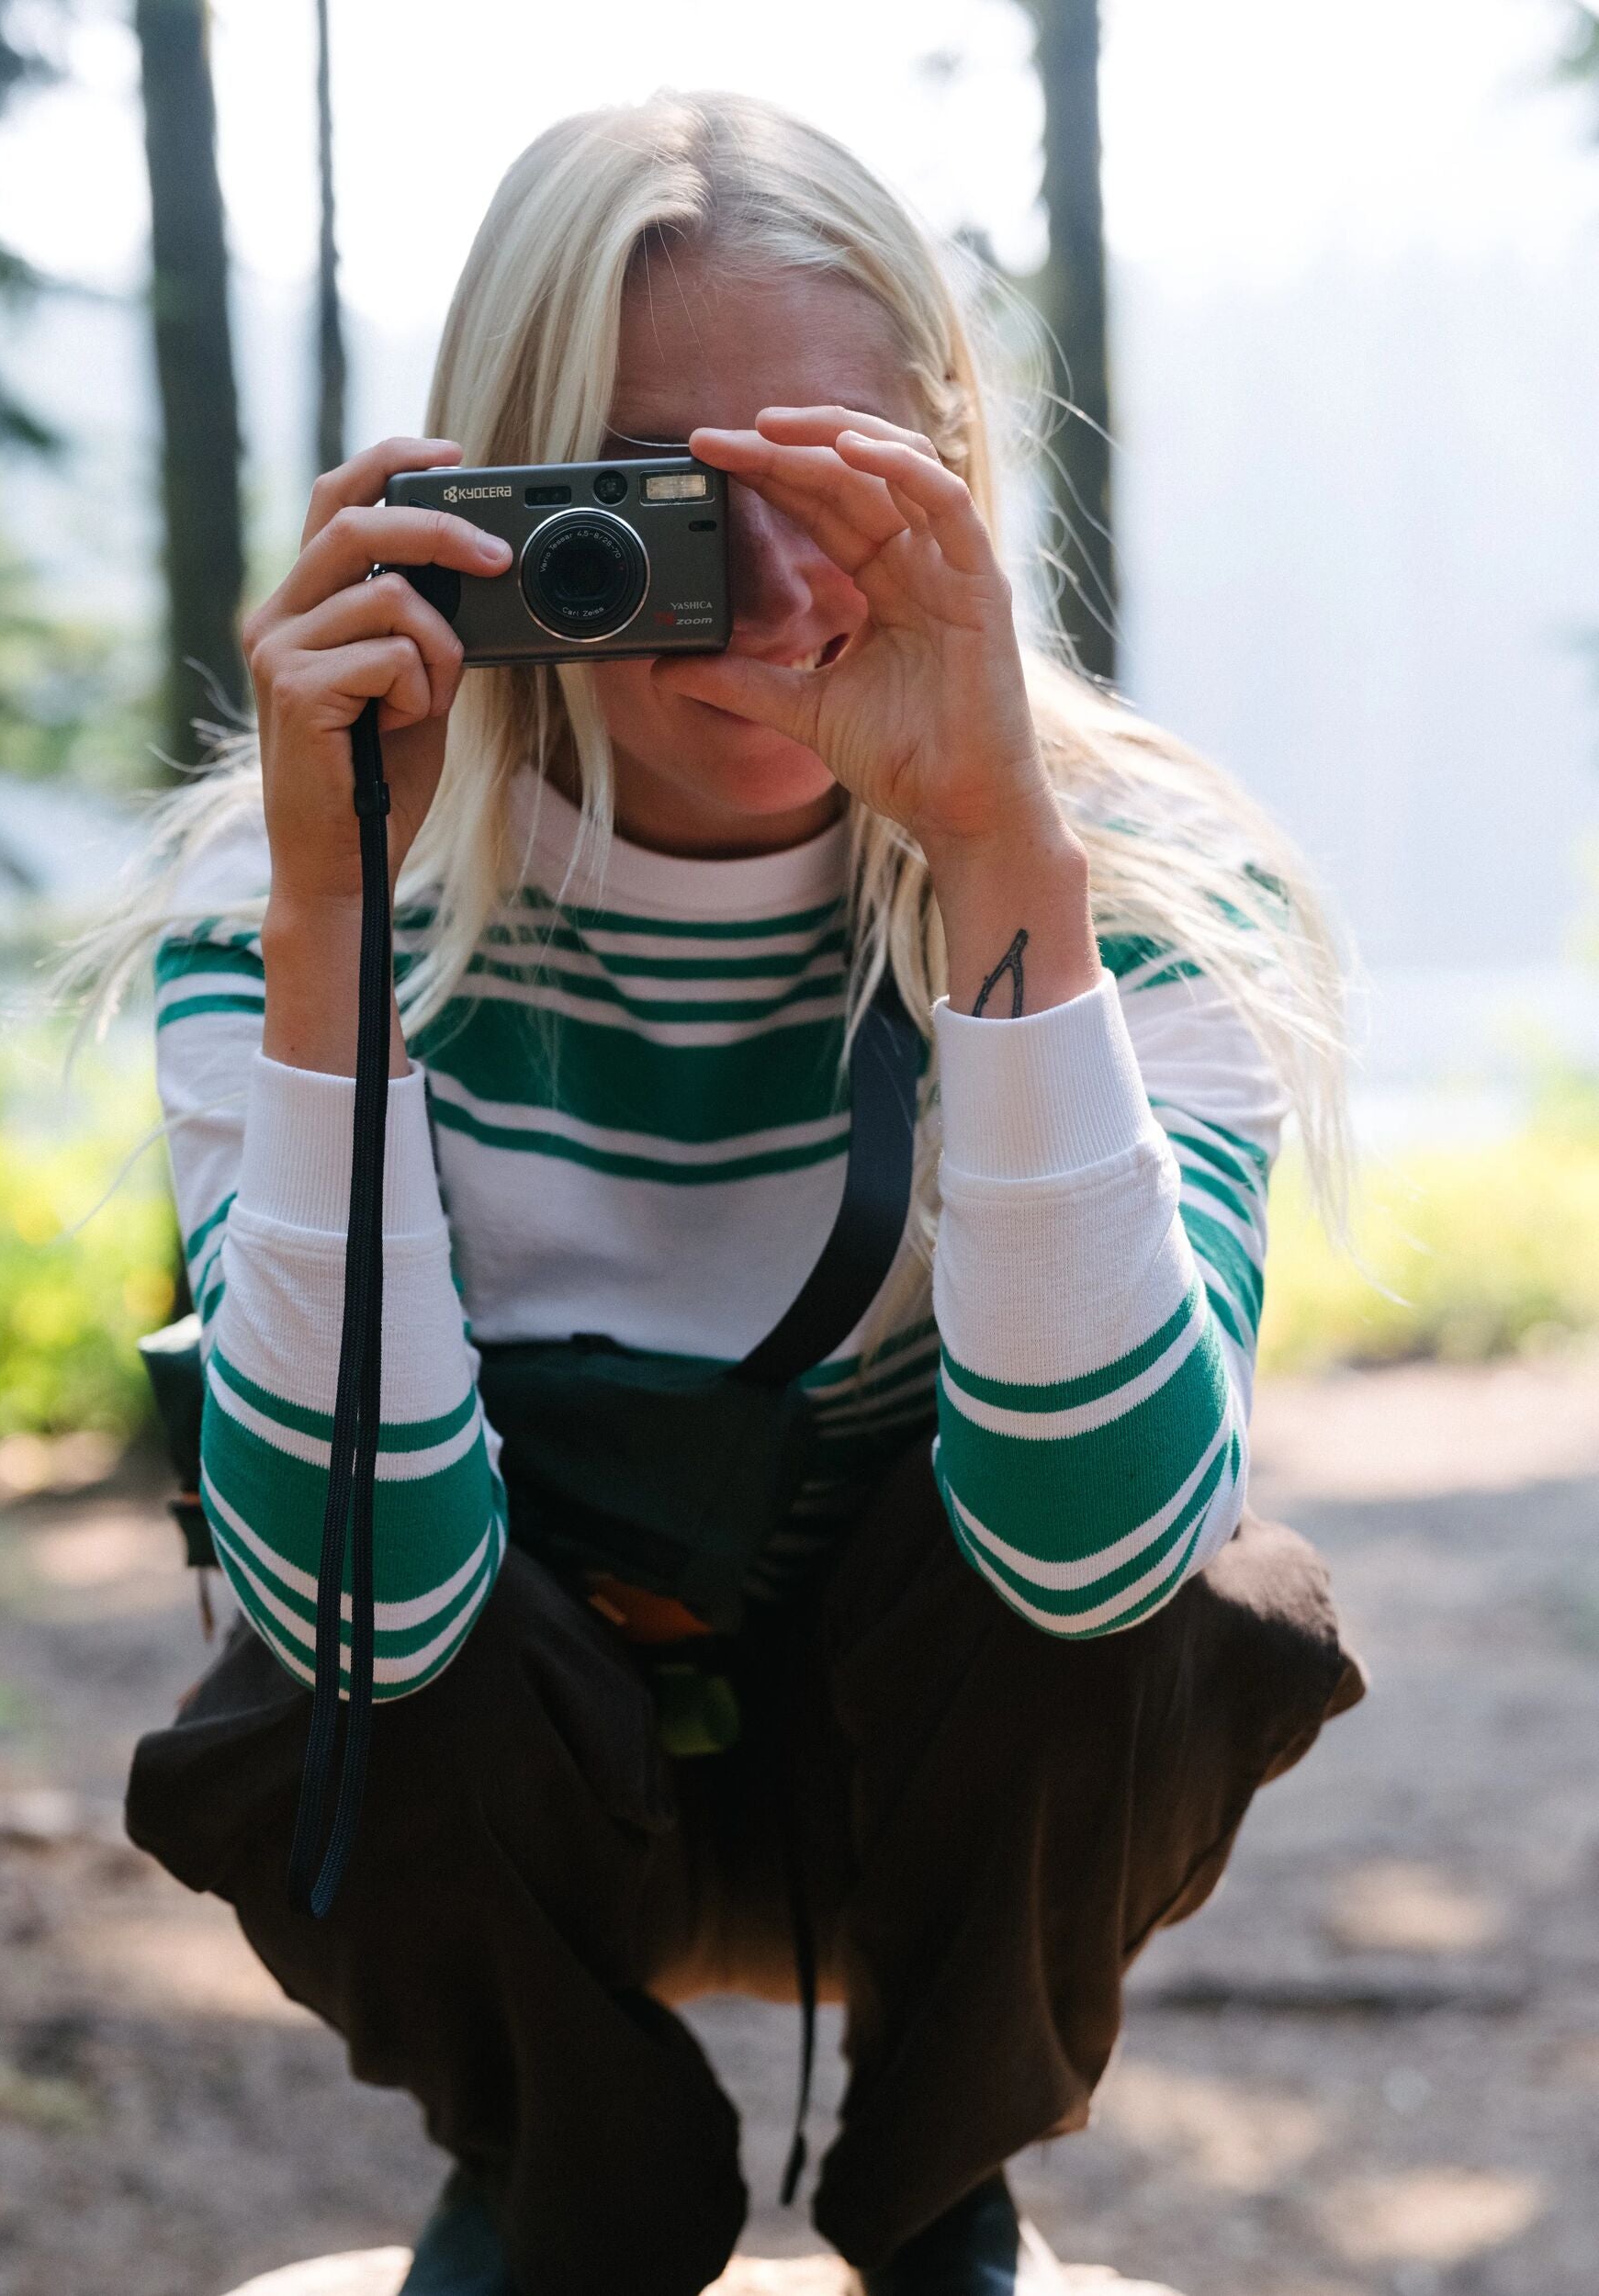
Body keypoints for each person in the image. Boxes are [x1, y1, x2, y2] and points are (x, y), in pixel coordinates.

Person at [98, 89, 1365, 2296]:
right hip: (522, 1776)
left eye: (830, 490)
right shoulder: (294, 891)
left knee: (1198, 1592)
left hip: (939, 1792)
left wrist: (996, 855)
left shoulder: (1138, 890)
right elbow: (355, 1620)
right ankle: (563, 2182)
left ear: (952, 486)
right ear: (489, 497)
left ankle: (936, 2182)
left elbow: (1106, 1563)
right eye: (656, 499)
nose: (761, 595)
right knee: (299, 1617)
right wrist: (330, 927)